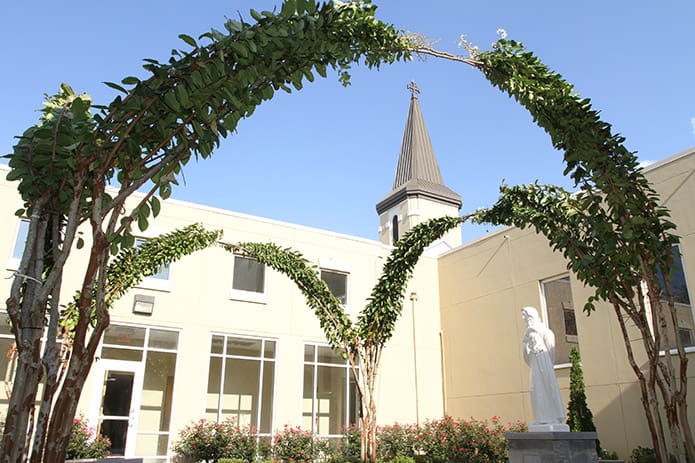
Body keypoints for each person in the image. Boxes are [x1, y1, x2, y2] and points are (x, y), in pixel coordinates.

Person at [521, 306, 566, 425]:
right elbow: (526, 356)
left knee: (548, 386)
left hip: (544, 362)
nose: (523, 318)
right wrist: (527, 346)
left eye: (525, 316)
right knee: (535, 389)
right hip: (535, 364)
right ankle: (541, 418)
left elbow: (551, 350)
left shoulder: (545, 331)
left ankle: (555, 416)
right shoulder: (528, 335)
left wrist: (546, 363)